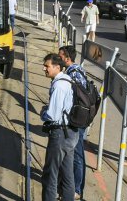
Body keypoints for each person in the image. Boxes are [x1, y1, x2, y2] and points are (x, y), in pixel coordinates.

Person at [41, 53, 79, 201]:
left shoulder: (59, 85)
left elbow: (53, 116)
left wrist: (43, 112)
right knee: (67, 175)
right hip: (71, 133)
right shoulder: (68, 79)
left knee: (50, 175)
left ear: (57, 67)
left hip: (60, 134)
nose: (44, 69)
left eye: (47, 66)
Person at [58, 46, 88, 201]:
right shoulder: (77, 70)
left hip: (77, 120)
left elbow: (77, 99)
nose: (59, 58)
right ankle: (73, 186)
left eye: (60, 56)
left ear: (67, 58)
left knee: (77, 155)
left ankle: (76, 189)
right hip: (78, 119)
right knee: (76, 153)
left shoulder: (74, 74)